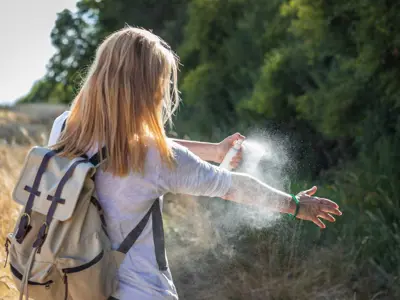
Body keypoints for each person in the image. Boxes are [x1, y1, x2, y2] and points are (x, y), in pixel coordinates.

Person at [48, 26, 342, 300]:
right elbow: (233, 186)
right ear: (148, 87)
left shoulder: (65, 127)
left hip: (75, 287)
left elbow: (130, 144)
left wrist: (214, 151)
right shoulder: (154, 157)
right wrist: (296, 205)